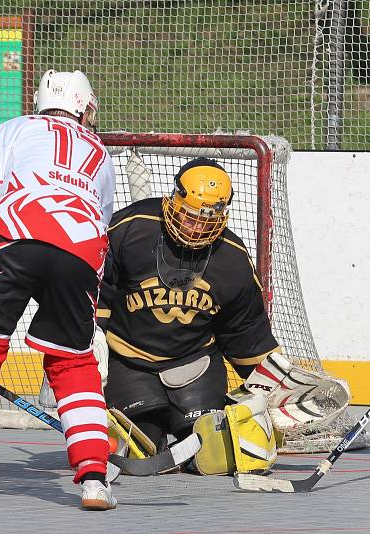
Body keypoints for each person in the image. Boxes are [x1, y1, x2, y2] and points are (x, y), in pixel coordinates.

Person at [0, 69, 117, 510]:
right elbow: (103, 215)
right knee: (74, 362)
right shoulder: (100, 150)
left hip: (17, 233)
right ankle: (94, 479)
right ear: (84, 106)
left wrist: (16, 244)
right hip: (82, 247)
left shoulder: (12, 128)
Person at [97, 157, 286, 476]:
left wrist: (282, 389)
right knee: (142, 448)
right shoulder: (130, 228)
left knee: (211, 456)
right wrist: (82, 345)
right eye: (189, 215)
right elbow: (97, 288)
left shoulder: (233, 261)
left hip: (195, 366)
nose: (196, 227)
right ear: (173, 200)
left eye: (207, 220)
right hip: (130, 362)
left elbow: (246, 336)